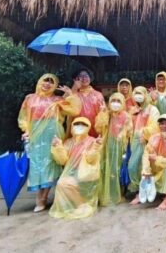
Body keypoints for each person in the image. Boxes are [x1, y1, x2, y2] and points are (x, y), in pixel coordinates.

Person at [18, 73, 81, 212]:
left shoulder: (57, 100)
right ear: (40, 82)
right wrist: (26, 130)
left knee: (50, 165)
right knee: (36, 164)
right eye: (45, 81)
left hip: (53, 135)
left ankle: (43, 199)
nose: (47, 84)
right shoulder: (30, 99)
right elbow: (23, 117)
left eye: (51, 82)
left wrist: (70, 94)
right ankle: (39, 196)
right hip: (36, 136)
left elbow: (74, 110)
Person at [49, 117, 103, 219]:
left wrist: (96, 146)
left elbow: (91, 159)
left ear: (88, 127)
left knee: (64, 184)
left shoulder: (91, 141)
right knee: (62, 183)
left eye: (83, 124)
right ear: (72, 126)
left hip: (85, 172)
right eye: (77, 124)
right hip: (71, 172)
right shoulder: (68, 142)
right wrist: (57, 146)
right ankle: (77, 205)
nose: (79, 127)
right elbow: (63, 160)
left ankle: (80, 205)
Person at [95, 92, 133, 206]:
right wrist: (102, 113)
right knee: (107, 168)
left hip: (121, 146)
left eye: (118, 101)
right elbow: (98, 128)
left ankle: (119, 192)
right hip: (108, 145)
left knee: (119, 168)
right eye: (113, 101)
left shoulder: (126, 116)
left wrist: (122, 136)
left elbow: (130, 131)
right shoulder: (107, 114)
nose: (115, 104)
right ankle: (107, 193)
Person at [128, 86, 160, 204]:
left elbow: (156, 126)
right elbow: (128, 125)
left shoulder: (153, 109)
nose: (138, 95)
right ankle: (139, 189)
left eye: (140, 93)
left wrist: (145, 132)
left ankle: (146, 191)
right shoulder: (134, 109)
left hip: (147, 141)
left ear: (145, 95)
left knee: (145, 166)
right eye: (136, 93)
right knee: (133, 166)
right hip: (135, 142)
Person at [70, 69, 105, 137]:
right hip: (78, 129)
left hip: (95, 130)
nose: (84, 78)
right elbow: (63, 105)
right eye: (81, 76)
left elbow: (103, 114)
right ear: (76, 79)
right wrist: (74, 88)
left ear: (90, 78)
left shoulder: (98, 95)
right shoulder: (73, 93)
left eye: (86, 76)